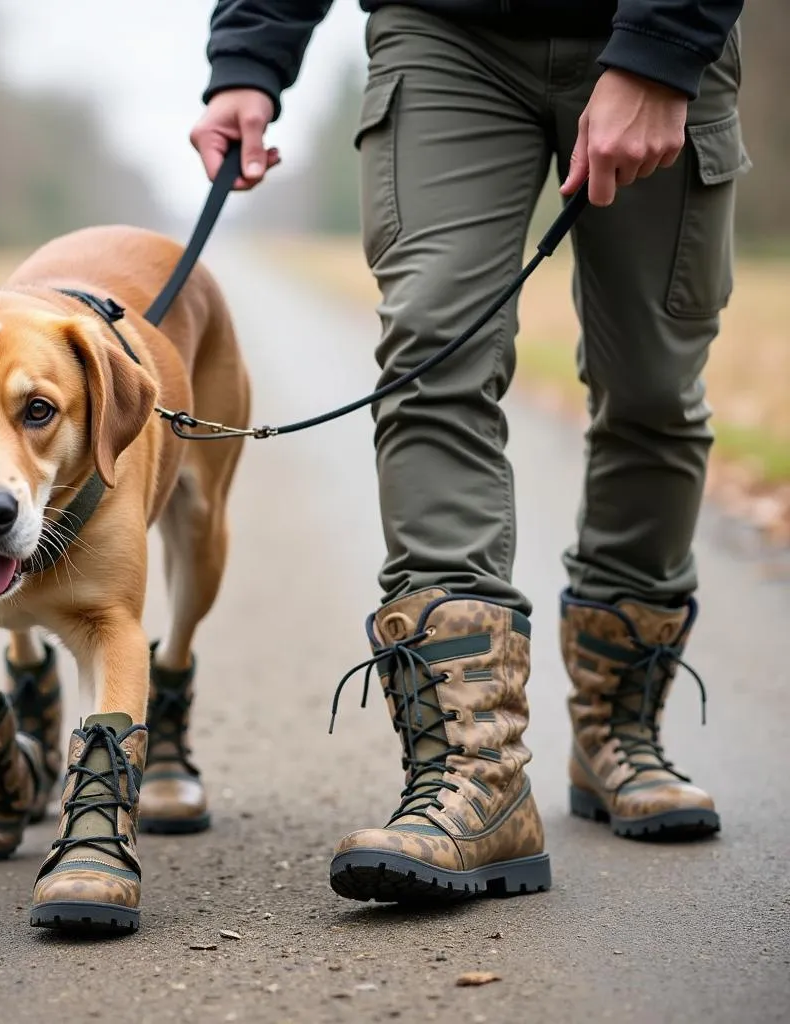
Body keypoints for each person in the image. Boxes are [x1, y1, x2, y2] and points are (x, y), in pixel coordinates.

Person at [178, 0, 749, 904]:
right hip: (444, 31)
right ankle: (476, 773)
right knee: (430, 358)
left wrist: (663, 47)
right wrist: (252, 52)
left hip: (649, 32)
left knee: (653, 394)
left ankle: (618, 734)